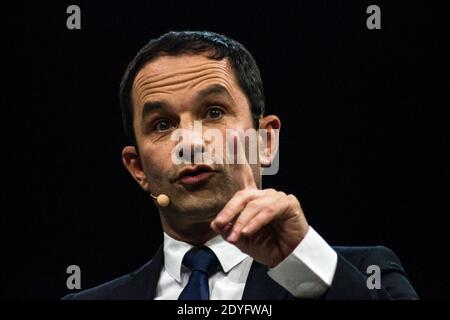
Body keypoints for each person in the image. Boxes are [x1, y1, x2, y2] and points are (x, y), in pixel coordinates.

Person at [63, 31, 418, 300]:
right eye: (163, 124)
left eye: (213, 112)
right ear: (138, 167)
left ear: (265, 141)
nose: (189, 142)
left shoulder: (366, 275)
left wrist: (306, 265)